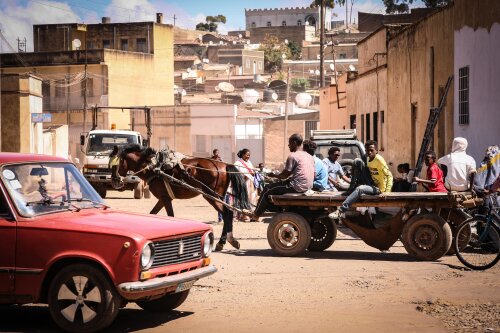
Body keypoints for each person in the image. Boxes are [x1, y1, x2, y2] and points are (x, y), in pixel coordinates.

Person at [252, 133, 314, 217]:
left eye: (290, 143)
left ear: (295, 143)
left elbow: (284, 176)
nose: (288, 145)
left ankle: (256, 214)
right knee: (277, 186)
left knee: (267, 188)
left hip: (296, 187)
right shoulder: (309, 156)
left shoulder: (293, 156)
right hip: (308, 187)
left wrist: (273, 175)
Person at [335, 140, 393, 216]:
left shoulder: (379, 160)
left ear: (377, 151)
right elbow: (365, 171)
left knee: (360, 188)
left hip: (378, 188)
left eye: (371, 150)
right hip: (371, 182)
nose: (369, 153)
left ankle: (341, 210)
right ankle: (351, 189)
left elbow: (389, 175)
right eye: (367, 151)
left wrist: (387, 192)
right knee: (357, 161)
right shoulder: (367, 158)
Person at [234, 148, 258, 221]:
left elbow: (252, 170)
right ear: (243, 155)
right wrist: (244, 176)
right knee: (243, 199)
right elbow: (235, 173)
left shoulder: (249, 162)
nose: (248, 156)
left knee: (251, 199)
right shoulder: (238, 163)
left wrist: (254, 172)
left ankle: (251, 214)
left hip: (250, 183)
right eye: (247, 155)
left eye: (249, 155)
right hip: (243, 183)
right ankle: (243, 215)